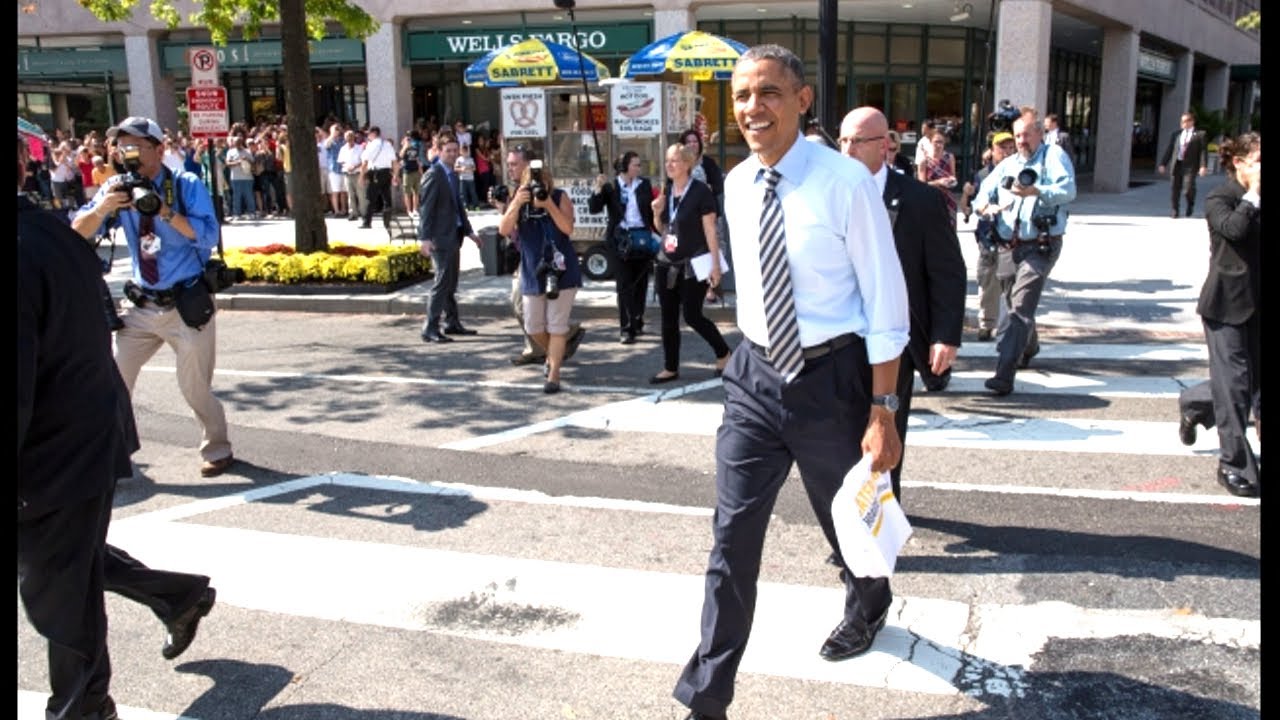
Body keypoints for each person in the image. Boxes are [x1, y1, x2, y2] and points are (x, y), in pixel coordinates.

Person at [673, 45, 909, 720]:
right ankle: (707, 697)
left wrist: (883, 409)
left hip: (832, 376)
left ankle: (869, 601)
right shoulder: (739, 186)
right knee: (731, 539)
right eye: (743, 94)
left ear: (803, 101)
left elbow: (886, 306)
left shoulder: (847, 183)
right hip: (754, 373)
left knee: (851, 529)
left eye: (769, 92)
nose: (753, 107)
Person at [20, 132, 134, 720]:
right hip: (85, 436)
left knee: (60, 594)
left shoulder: (41, 240)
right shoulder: (57, 236)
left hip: (50, 455)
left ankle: (84, 709)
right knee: (73, 580)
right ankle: (88, 705)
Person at [71, 116, 236, 477]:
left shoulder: (185, 183)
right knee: (112, 378)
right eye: (120, 145)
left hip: (185, 305)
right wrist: (103, 209)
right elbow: (76, 232)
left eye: (134, 146)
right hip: (141, 303)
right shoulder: (117, 186)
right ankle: (112, 453)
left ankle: (218, 447)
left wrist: (163, 211)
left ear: (159, 150)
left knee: (194, 387)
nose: (125, 153)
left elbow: (207, 237)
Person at [839, 106, 966, 499]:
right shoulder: (831, 194)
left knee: (885, 429)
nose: (847, 150)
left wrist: (945, 335)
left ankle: (879, 514)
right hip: (839, 337)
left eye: (857, 142)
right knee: (841, 436)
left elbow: (947, 271)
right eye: (842, 140)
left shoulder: (920, 200)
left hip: (894, 338)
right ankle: (848, 519)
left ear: (884, 147)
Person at [1176, 132, 1260, 498]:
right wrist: (1254, 196)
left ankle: (1195, 403)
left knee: (1244, 385)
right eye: (1259, 162)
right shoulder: (1221, 198)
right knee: (1237, 386)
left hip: (1259, 305)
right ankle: (1233, 465)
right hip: (1226, 306)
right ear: (1239, 163)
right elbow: (1235, 231)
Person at [975, 110, 1077, 395]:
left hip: (1041, 244)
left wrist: (1037, 191)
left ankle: (1004, 373)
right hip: (1009, 245)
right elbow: (984, 191)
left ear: (1039, 134)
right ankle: (1029, 346)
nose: (1021, 141)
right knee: (1014, 300)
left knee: (1019, 306)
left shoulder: (1053, 156)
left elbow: (1068, 190)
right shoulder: (1008, 164)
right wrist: (984, 206)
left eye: (1026, 135)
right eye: (1017, 135)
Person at [492, 145, 585, 366]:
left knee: (553, 323)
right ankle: (554, 350)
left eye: (515, 164)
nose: (511, 169)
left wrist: (548, 204)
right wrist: (513, 204)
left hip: (558, 268)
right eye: (509, 164)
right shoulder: (518, 195)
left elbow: (567, 229)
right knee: (530, 320)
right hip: (528, 264)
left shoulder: (557, 196)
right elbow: (505, 230)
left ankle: (552, 362)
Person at [648, 143, 731, 384]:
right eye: (667, 161)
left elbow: (710, 229)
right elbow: (663, 228)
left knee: (693, 315)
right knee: (668, 317)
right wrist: (656, 212)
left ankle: (723, 352)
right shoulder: (667, 189)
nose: (669, 165)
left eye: (674, 160)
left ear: (687, 164)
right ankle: (670, 367)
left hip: (692, 264)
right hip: (666, 262)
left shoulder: (700, 191)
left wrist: (715, 265)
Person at [418, 131, 480, 342]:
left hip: (454, 235)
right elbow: (426, 209)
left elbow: (458, 206)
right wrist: (425, 238)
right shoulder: (434, 174)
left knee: (450, 282)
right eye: (448, 151)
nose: (453, 154)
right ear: (439, 151)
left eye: (455, 150)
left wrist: (469, 231)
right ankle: (430, 326)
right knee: (442, 282)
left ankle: (452, 322)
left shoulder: (452, 174)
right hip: (439, 237)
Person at [589, 150, 657, 345]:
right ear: (624, 167)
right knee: (624, 284)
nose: (639, 167)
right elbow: (594, 208)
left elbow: (649, 212)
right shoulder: (611, 187)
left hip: (641, 237)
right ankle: (626, 328)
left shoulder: (644, 185)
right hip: (620, 240)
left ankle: (637, 318)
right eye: (635, 164)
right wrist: (598, 189)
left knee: (640, 283)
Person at [962, 131, 1017, 341]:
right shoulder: (983, 175)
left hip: (1011, 237)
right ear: (992, 151)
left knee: (1011, 284)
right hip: (988, 236)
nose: (1007, 151)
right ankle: (987, 323)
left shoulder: (1020, 172)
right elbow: (968, 207)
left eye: (1010, 147)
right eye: (1002, 147)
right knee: (987, 280)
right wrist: (968, 195)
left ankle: (1011, 325)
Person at [1158, 111, 1209, 218]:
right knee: (1175, 189)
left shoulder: (1200, 134)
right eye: (1182, 121)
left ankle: (1190, 204)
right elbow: (1170, 150)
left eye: (1186, 121)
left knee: (1188, 189)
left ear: (1192, 122)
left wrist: (1203, 166)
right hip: (1177, 164)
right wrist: (1163, 163)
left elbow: (1203, 151)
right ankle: (1175, 210)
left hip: (1190, 166)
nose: (1183, 123)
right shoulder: (1176, 134)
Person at [917, 128, 958, 230]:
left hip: (948, 198)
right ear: (930, 142)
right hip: (931, 199)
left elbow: (953, 176)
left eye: (941, 142)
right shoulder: (924, 161)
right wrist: (939, 182)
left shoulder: (950, 157)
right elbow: (921, 185)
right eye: (936, 142)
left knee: (950, 230)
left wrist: (951, 181)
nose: (939, 145)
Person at [359, 125, 398, 228]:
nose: (368, 136)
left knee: (370, 198)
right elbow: (394, 162)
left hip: (375, 173)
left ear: (373, 134)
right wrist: (395, 175)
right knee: (387, 198)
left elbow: (365, 162)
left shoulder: (371, 145)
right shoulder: (388, 144)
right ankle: (387, 222)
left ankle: (366, 222)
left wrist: (361, 176)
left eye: (368, 134)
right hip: (386, 173)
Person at [400, 130, 423, 217]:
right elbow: (401, 155)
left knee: (416, 192)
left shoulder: (415, 146)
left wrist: (421, 171)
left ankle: (415, 209)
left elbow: (417, 159)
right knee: (407, 192)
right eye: (408, 138)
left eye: (410, 138)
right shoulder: (404, 146)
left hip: (415, 170)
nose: (410, 140)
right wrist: (405, 146)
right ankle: (408, 210)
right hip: (407, 171)